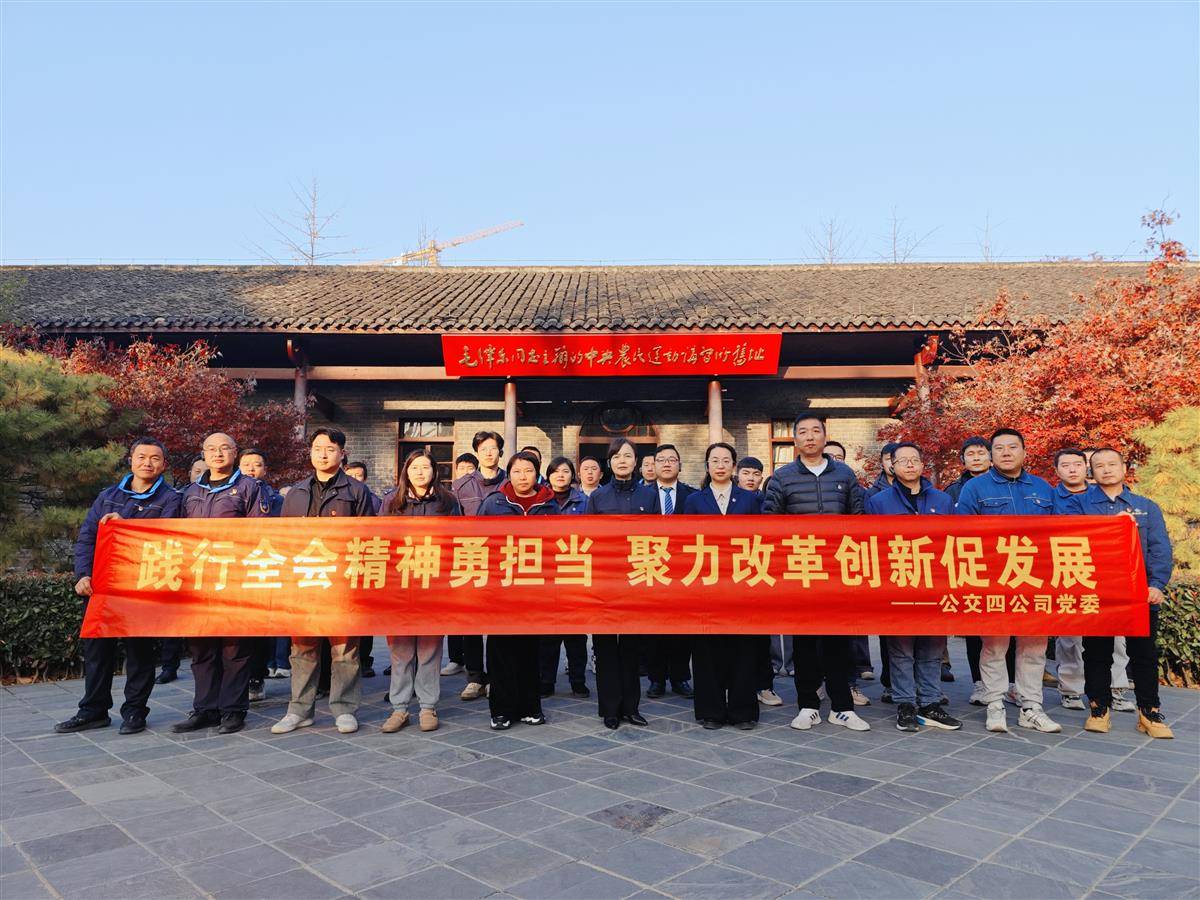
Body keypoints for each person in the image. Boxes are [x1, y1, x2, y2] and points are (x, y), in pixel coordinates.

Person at [55, 438, 183, 735]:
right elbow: (87, 538)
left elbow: (166, 538)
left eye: (155, 458)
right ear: (131, 460)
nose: (147, 463)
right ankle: (93, 710)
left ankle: (135, 711)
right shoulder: (108, 496)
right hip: (103, 587)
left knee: (140, 652)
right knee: (97, 651)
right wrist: (82, 575)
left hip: (142, 588)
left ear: (164, 464)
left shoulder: (171, 499)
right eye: (141, 456)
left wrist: (125, 526)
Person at [763, 412, 870, 732]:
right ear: (795, 439)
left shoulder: (844, 474)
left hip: (837, 571)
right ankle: (808, 705)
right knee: (805, 642)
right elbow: (770, 525)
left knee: (838, 641)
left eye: (815, 431)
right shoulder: (782, 477)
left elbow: (858, 520)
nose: (809, 437)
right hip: (801, 570)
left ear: (825, 436)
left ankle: (842, 707)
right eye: (803, 432)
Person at [955, 428, 1061, 734]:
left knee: (1034, 646)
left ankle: (1031, 706)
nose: (1005, 452)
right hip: (994, 579)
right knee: (994, 645)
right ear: (991, 455)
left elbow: (1061, 531)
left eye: (1012, 447)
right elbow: (962, 534)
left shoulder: (1043, 488)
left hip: (1035, 579)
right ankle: (995, 703)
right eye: (999, 448)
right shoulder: (975, 488)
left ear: (1024, 452)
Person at [271, 428, 374, 736]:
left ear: (342, 453)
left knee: (345, 650)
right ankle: (299, 710)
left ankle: (344, 709)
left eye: (330, 448)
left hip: (342, 583)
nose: (323, 454)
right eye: (317, 448)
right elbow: (284, 540)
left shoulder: (357, 491)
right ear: (310, 452)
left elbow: (369, 538)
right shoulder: (296, 492)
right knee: (302, 649)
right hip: (304, 582)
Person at [1068, 449, 1174, 739]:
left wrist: (1157, 584)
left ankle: (1149, 712)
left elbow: (1160, 549)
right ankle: (1098, 708)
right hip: (1098, 592)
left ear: (1124, 468)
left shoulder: (1145, 507)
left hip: (1140, 593)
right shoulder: (1079, 505)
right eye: (1099, 466)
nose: (1106, 469)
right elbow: (1070, 541)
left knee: (1144, 655)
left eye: (1112, 464)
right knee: (1097, 653)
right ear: (1091, 472)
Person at [171, 433, 272, 735]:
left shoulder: (249, 488)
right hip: (199, 583)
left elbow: (260, 535)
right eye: (212, 449)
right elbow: (175, 535)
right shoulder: (190, 491)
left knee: (234, 649)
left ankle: (233, 710)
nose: (218, 454)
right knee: (201, 649)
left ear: (234, 452)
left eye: (224, 448)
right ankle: (205, 709)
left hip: (234, 581)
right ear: (203, 454)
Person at [865, 442, 962, 732]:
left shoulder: (943, 501)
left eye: (914, 459)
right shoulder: (878, 502)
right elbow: (870, 543)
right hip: (898, 584)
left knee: (932, 647)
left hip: (935, 584)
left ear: (922, 465)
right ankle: (905, 704)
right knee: (901, 649)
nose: (909, 464)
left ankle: (930, 702)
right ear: (891, 466)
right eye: (902, 460)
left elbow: (956, 541)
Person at [378, 449, 461, 734]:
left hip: (433, 587)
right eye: (414, 467)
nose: (420, 472)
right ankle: (399, 708)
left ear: (435, 471)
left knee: (429, 650)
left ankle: (427, 706)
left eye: (425, 467)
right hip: (399, 586)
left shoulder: (448, 501)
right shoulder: (392, 501)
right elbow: (379, 540)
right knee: (400, 651)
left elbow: (459, 540)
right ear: (406, 471)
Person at [683, 442, 763, 730]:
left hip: (742, 584)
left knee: (743, 648)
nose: (720, 465)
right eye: (714, 460)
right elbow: (685, 541)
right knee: (707, 649)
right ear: (707, 466)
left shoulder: (750, 500)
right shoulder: (694, 501)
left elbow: (760, 539)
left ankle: (743, 711)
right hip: (706, 585)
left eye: (726, 460)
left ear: (734, 466)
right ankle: (711, 711)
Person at [478, 451, 558, 730]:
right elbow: (478, 541)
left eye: (528, 471)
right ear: (508, 474)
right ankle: (501, 710)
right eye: (516, 471)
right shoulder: (494, 503)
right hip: (501, 589)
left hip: (535, 590)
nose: (522, 476)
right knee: (500, 650)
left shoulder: (549, 505)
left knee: (530, 650)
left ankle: (530, 706)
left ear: (537, 473)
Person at [1050, 449, 1133, 711]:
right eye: (1065, 465)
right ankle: (1071, 689)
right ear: (1057, 470)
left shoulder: (1105, 494)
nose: (1072, 469)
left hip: (1108, 574)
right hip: (1069, 570)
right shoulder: (1049, 498)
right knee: (1070, 637)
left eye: (1077, 464)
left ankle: (1115, 688)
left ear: (1086, 468)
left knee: (1115, 635)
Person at [585, 437, 659, 729]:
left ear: (636, 461)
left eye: (628, 455)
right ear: (610, 462)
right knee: (605, 647)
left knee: (631, 647)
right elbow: (588, 540)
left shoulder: (649, 496)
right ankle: (610, 709)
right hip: (605, 581)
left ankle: (631, 707)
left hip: (636, 580)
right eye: (617, 456)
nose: (622, 461)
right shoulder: (598, 497)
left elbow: (657, 538)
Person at [449, 430, 507, 696]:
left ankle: (496, 675)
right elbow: (453, 523)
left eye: (493, 448)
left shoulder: (509, 482)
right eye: (483, 448)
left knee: (498, 623)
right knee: (470, 622)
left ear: (500, 452)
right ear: (476, 452)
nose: (488, 453)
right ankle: (474, 677)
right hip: (470, 558)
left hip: (502, 560)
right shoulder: (461, 486)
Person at [644, 443, 695, 700]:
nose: (666, 464)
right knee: (654, 627)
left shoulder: (693, 496)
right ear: (653, 465)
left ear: (679, 465)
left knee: (681, 627)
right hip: (651, 566)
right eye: (661, 459)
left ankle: (680, 677)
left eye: (672, 460)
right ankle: (656, 679)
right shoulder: (642, 495)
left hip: (684, 570)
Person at [538, 457, 590, 699]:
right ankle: (546, 681)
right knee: (548, 636)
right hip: (546, 574)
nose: (560, 475)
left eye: (566, 471)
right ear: (548, 475)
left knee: (576, 635)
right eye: (556, 471)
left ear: (572, 475)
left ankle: (578, 681)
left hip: (574, 572)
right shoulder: (540, 502)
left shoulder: (584, 502)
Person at [238, 447, 285, 699]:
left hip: (262, 567)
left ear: (265, 470)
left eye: (257, 464)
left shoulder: (275, 500)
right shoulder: (227, 494)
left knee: (258, 627)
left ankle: (256, 677)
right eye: (246, 464)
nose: (251, 469)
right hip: (231, 566)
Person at [342, 459, 380, 677]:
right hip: (340, 561)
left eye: (359, 475)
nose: (355, 479)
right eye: (351, 475)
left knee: (364, 617)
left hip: (364, 561)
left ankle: (364, 660)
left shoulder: (373, 500)